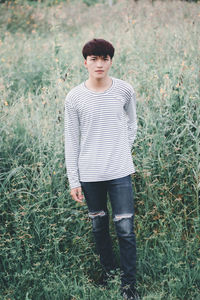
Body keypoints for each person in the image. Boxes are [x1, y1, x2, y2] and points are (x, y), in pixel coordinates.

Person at [64, 38, 139, 300]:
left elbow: (132, 125)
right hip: (90, 174)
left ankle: (129, 286)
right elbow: (71, 139)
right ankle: (109, 275)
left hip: (120, 171)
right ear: (85, 62)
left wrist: (120, 148)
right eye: (94, 59)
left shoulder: (124, 90)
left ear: (110, 61)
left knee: (126, 229)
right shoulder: (74, 97)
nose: (99, 64)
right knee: (99, 227)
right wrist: (74, 179)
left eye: (104, 58)